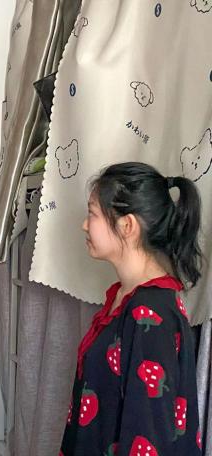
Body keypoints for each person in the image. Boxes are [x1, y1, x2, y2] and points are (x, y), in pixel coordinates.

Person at [60, 162, 203, 455]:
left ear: (127, 226)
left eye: (93, 214)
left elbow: (149, 431)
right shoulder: (125, 297)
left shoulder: (151, 311)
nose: (84, 225)